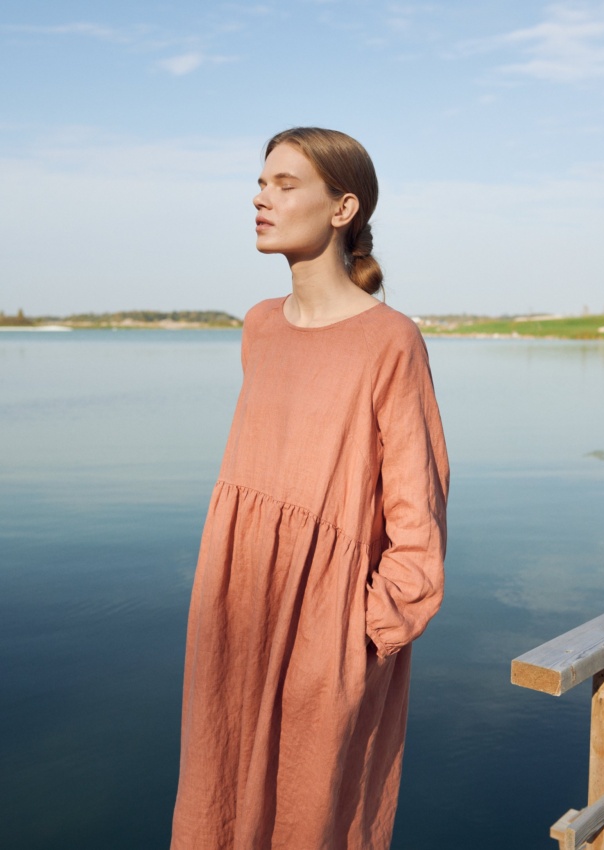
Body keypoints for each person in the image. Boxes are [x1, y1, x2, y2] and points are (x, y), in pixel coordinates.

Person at [170, 127, 449, 850]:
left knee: (310, 816)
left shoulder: (391, 341)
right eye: (262, 183)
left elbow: (418, 526)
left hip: (327, 630)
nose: (261, 198)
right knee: (219, 800)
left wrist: (359, 635)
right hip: (233, 609)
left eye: (285, 184)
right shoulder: (259, 326)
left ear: (342, 207)